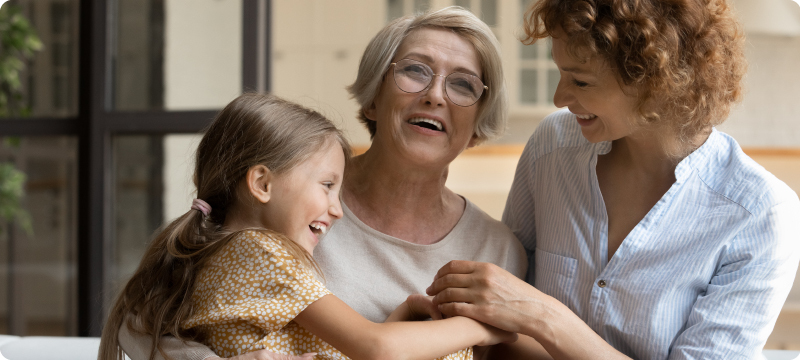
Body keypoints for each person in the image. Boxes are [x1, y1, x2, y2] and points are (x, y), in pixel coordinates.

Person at [116, 7, 527, 360]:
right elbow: (139, 327)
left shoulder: (496, 250)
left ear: (478, 126)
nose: (435, 95)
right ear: (372, 98)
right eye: (415, 71)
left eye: (462, 84)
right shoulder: (291, 206)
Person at [426, 0, 800, 359]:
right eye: (560, 73)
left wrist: (545, 316)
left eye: (581, 82)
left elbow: (523, 307)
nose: (559, 98)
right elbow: (502, 310)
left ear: (655, 83)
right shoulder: (552, 148)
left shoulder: (760, 215)